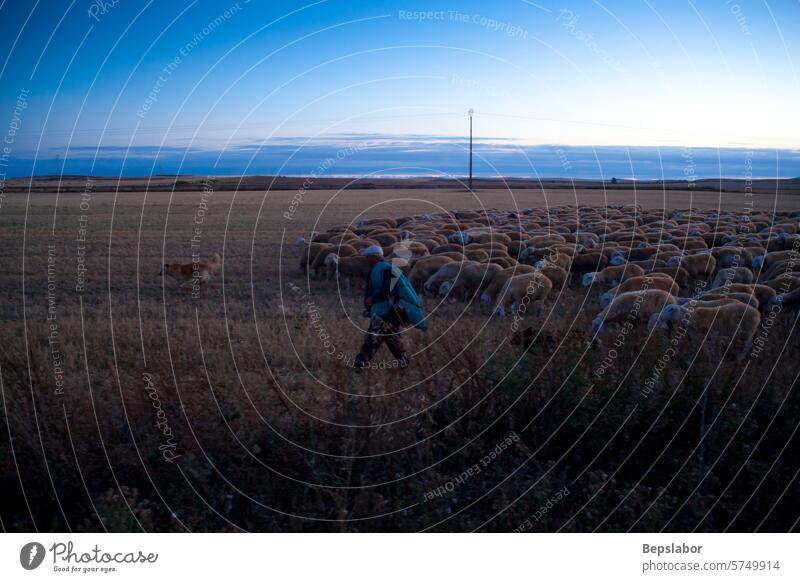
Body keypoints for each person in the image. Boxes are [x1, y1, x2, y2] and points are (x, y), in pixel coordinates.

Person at [354, 245, 427, 370]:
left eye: (368, 257)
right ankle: (403, 361)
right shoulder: (381, 269)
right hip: (386, 309)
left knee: (374, 335)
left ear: (375, 257)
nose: (366, 260)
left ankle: (361, 361)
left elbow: (388, 290)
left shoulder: (386, 270)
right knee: (390, 337)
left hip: (389, 310)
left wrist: (373, 299)